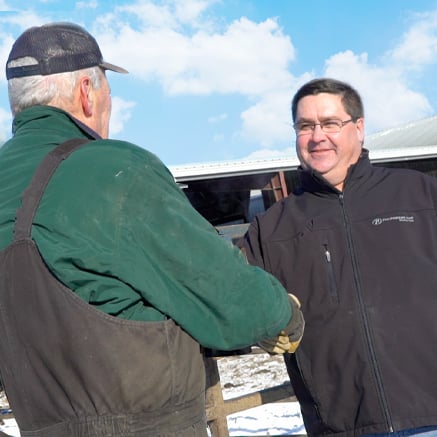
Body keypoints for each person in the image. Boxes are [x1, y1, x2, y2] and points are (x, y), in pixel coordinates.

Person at [0, 22, 304, 437]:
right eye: (108, 90)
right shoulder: (113, 170)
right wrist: (283, 315)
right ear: (87, 93)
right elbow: (225, 293)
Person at [239, 77, 437, 437]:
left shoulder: (420, 195)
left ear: (358, 129)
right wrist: (263, 322)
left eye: (330, 123)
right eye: (305, 126)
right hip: (340, 424)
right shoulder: (271, 228)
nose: (317, 136)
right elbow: (237, 300)